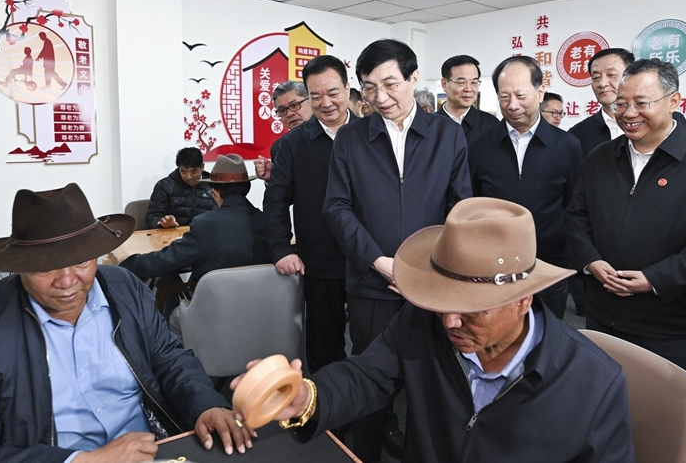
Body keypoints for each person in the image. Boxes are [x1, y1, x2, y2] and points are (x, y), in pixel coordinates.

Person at [232, 198, 634, 463]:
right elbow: (366, 376)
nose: (449, 322)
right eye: (441, 304)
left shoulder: (593, 383)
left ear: (523, 299)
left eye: (471, 311)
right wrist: (304, 398)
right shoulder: (422, 323)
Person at [0, 183, 253, 463]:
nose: (67, 281)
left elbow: (170, 360)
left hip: (153, 450)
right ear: (18, 266)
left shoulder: (124, 289)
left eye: (81, 261)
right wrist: (81, 460)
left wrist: (206, 406)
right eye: (45, 267)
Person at [323, 38, 472, 463]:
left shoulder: (448, 135)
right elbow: (336, 207)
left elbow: (459, 209)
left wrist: (426, 269)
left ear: (413, 78)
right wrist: (379, 262)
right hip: (373, 286)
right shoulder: (351, 139)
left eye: (390, 84)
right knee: (369, 386)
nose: (380, 97)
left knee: (431, 389)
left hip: (432, 286)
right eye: (369, 88)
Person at [566, 58, 686, 375]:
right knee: (599, 401)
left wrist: (654, 279)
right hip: (602, 313)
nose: (629, 113)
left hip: (668, 323)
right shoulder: (600, 157)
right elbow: (577, 218)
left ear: (674, 100)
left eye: (641, 103)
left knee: (661, 413)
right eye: (621, 104)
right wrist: (591, 261)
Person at [467, 56, 582, 319]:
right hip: (493, 267)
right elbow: (471, 203)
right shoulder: (479, 144)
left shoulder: (567, 145)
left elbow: (573, 205)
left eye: (520, 95)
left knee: (547, 338)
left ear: (540, 92)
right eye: (504, 97)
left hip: (547, 265)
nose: (513, 105)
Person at [263, 55, 357, 374]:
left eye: (333, 93)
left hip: (370, 259)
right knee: (324, 344)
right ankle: (326, 417)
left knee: (372, 343)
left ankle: (374, 420)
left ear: (347, 88)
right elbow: (275, 200)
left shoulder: (374, 135)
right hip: (319, 261)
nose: (326, 103)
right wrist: (280, 248)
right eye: (316, 96)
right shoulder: (292, 145)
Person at [120, 154, 270, 322]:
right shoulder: (267, 222)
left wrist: (129, 262)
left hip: (216, 310)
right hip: (263, 309)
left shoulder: (204, 224)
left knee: (175, 320)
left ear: (215, 191)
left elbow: (167, 259)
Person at [569, 48, 686, 158]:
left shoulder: (672, 120)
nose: (602, 83)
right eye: (596, 77)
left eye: (611, 75)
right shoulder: (578, 133)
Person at [144, 147, 216, 229]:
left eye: (193, 171)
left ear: (202, 167)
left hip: (204, 233)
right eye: (183, 171)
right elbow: (152, 217)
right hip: (173, 235)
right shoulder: (164, 186)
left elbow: (219, 215)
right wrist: (162, 223)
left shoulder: (213, 186)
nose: (188, 177)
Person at [254, 80, 312, 181]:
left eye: (294, 105)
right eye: (282, 110)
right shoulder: (279, 147)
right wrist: (273, 178)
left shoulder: (335, 135)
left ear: (311, 102)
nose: (289, 114)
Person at [436, 54, 500, 142]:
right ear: (444, 84)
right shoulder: (428, 125)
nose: (469, 89)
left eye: (474, 82)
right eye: (461, 82)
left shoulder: (491, 124)